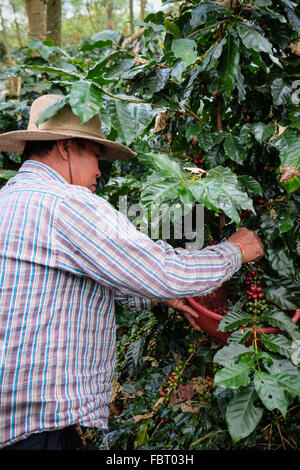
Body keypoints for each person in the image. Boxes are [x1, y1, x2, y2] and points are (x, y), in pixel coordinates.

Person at [0, 94, 264, 450]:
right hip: (37, 429)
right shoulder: (67, 203)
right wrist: (236, 250)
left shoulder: (10, 198)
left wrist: (163, 296)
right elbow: (163, 269)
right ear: (65, 147)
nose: (99, 171)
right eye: (95, 154)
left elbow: (68, 278)